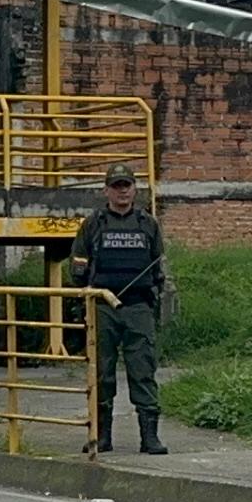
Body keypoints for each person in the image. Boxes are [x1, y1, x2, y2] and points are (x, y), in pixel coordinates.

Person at [68, 163, 172, 455]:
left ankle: (149, 438)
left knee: (143, 370)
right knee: (102, 372)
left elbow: (160, 266)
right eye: (116, 185)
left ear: (134, 189)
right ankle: (102, 436)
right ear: (106, 191)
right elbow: (77, 266)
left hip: (138, 307)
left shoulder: (148, 224)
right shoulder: (93, 224)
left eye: (127, 185)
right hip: (102, 307)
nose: (122, 190)